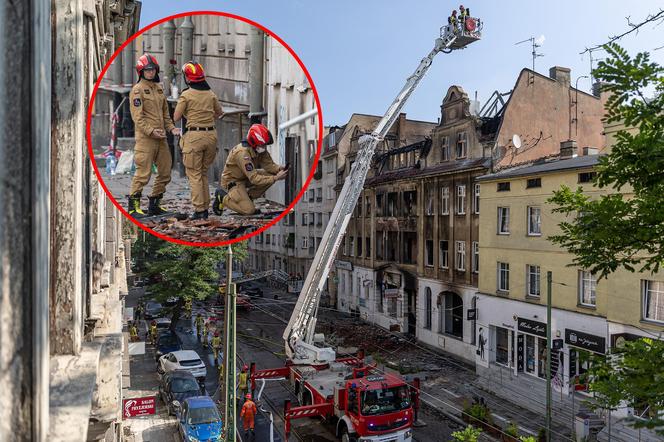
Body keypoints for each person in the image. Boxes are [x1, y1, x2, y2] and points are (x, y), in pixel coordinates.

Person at [127, 54, 181, 216]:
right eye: (147, 70)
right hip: (146, 139)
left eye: (152, 70)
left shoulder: (158, 88)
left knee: (165, 171)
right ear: (141, 71)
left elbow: (165, 113)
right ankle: (133, 206)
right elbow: (138, 117)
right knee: (143, 174)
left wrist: (172, 128)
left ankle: (155, 203)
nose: (150, 73)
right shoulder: (137, 91)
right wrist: (151, 131)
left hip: (161, 138)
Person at [173, 61, 224, 220]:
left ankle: (200, 210)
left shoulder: (186, 95)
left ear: (188, 78)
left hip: (194, 137)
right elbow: (219, 113)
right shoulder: (210, 94)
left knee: (194, 174)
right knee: (203, 173)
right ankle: (206, 207)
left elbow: (176, 116)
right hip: (211, 136)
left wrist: (192, 118)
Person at [212, 124, 288, 216]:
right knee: (249, 211)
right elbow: (254, 179)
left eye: (265, 145)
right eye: (262, 145)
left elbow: (269, 166)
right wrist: (275, 178)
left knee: (269, 174)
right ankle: (222, 197)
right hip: (233, 181)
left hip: (246, 176)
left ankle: (247, 198)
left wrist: (280, 168)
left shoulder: (259, 149)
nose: (264, 147)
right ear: (254, 142)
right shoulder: (243, 153)